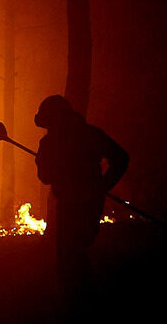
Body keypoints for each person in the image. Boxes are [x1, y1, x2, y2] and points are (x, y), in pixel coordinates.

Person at [34, 95, 129, 310]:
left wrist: (42, 162)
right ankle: (79, 306)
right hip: (87, 206)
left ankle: (77, 308)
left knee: (70, 259)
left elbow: (45, 177)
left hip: (73, 207)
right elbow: (122, 158)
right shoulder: (89, 134)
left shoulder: (51, 142)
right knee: (76, 256)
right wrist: (102, 187)